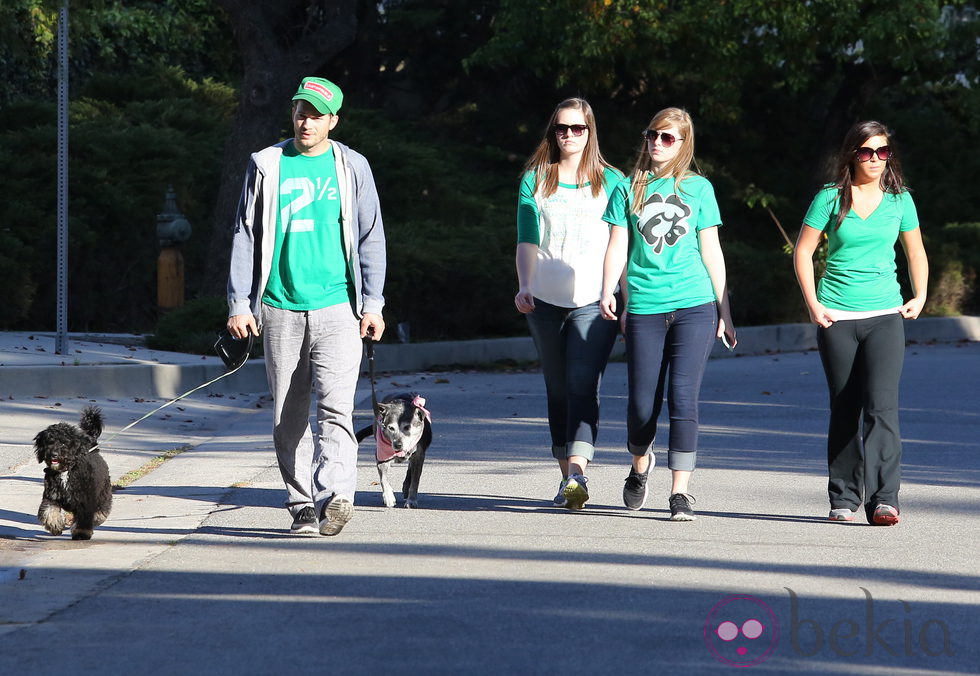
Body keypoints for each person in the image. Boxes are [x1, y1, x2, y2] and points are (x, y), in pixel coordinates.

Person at [226, 76, 386, 536]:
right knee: (288, 414)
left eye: (317, 114)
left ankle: (336, 497)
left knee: (336, 409)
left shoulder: (352, 167)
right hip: (278, 307)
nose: (306, 121)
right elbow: (245, 236)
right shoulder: (267, 164)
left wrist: (373, 303)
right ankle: (301, 502)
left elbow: (371, 235)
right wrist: (240, 303)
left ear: (333, 120)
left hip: (340, 307)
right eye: (300, 110)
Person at [600, 107, 734, 521]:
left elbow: (711, 251)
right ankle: (641, 465)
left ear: (683, 143)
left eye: (667, 137)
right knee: (642, 407)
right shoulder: (627, 187)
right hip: (645, 306)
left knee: (683, 398)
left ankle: (681, 492)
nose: (657, 143)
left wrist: (724, 310)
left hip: (695, 304)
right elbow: (619, 246)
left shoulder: (699, 189)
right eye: (652, 135)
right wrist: (610, 292)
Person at [793, 120, 927, 526]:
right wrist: (813, 304)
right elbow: (803, 251)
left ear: (890, 156)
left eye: (882, 152)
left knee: (882, 407)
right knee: (845, 406)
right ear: (852, 154)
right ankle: (844, 497)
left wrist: (919, 296)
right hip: (837, 316)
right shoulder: (830, 198)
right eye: (867, 152)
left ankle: (885, 498)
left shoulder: (900, 200)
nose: (874, 159)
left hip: (885, 316)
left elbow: (915, 251)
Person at [515, 98, 622, 510]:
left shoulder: (613, 181)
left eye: (578, 129)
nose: (569, 136)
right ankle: (567, 479)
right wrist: (524, 285)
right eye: (562, 128)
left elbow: (620, 242)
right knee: (557, 387)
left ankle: (578, 469)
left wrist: (618, 292)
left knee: (583, 383)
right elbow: (527, 238)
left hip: (595, 301)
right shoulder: (536, 179)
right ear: (552, 132)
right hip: (543, 300)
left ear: (590, 132)